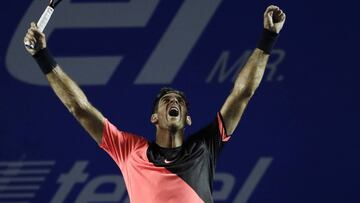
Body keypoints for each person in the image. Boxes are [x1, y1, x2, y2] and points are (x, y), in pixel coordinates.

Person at [24, 5, 286, 203]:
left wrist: (268, 38)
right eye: (167, 100)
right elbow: (80, 108)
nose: (174, 101)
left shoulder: (205, 147)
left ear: (187, 119)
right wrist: (42, 56)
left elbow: (242, 93)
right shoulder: (128, 150)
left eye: (180, 102)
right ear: (155, 118)